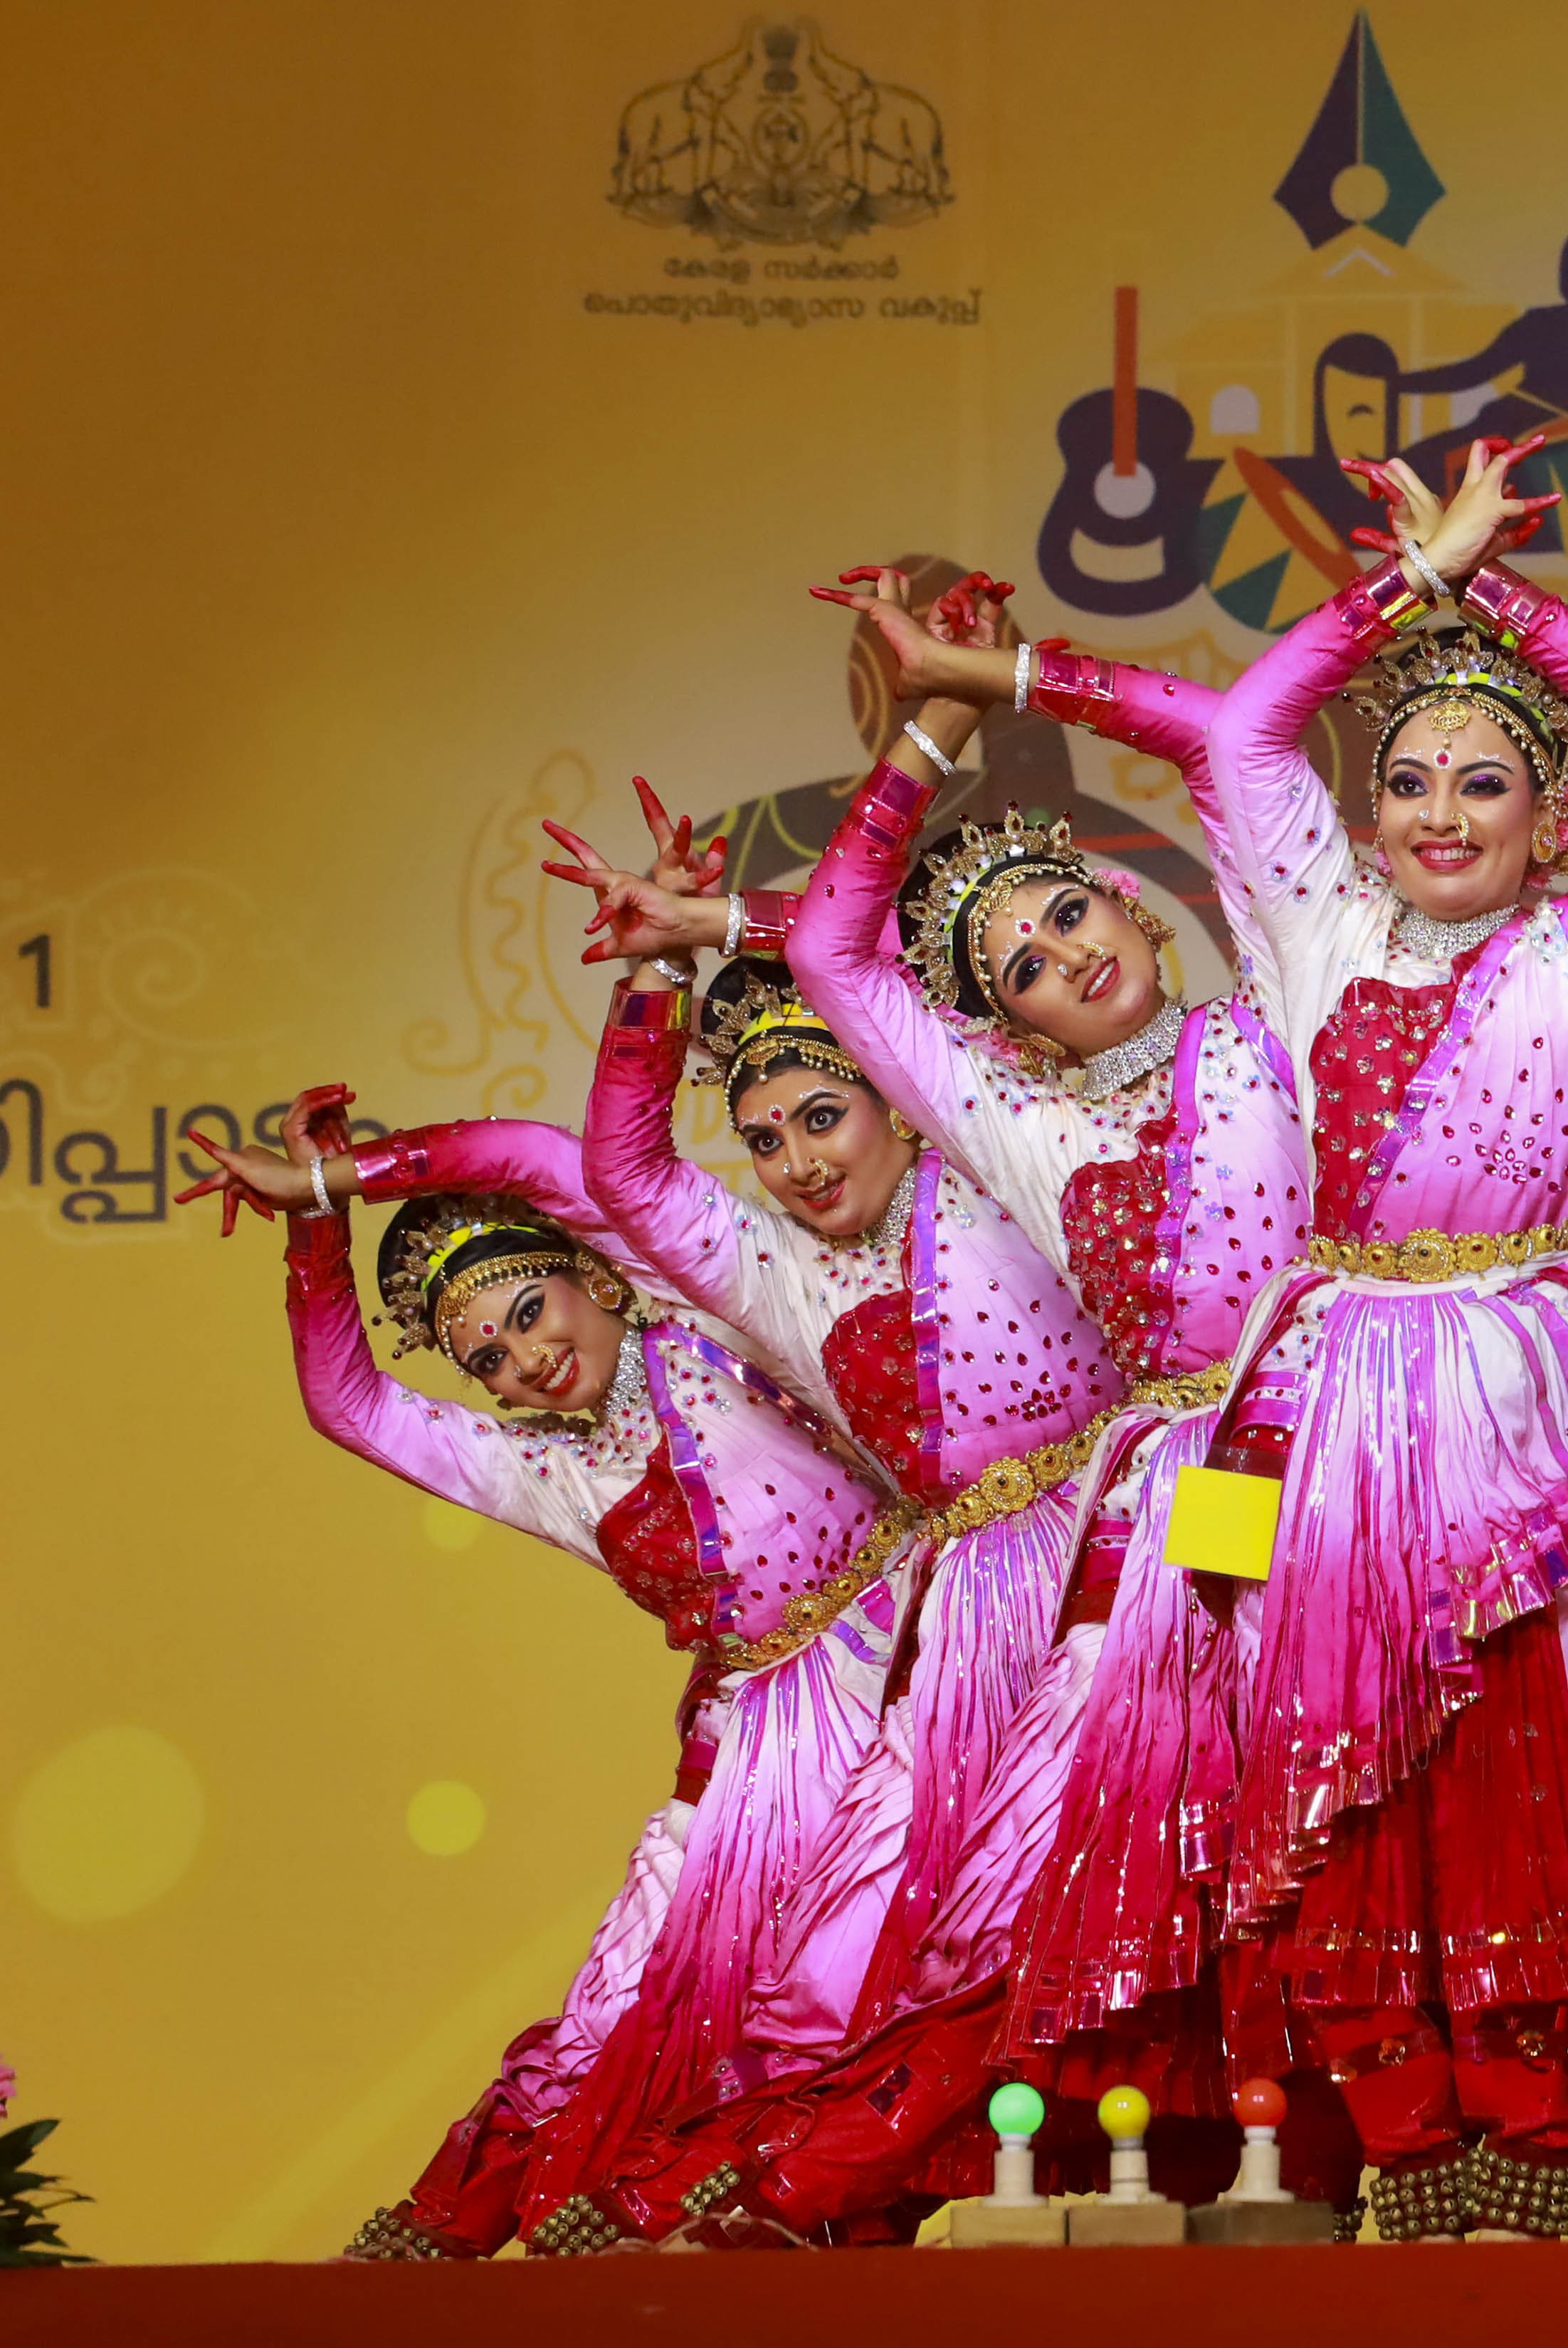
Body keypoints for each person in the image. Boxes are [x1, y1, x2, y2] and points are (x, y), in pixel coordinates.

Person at [543, 570, 1333, 2238]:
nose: (1065, 960)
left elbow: (1229, 742)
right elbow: (804, 987)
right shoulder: (1008, 1133)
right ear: (995, 1032)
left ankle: (1319, 2187)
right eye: (1021, 967)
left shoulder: (1276, 1014)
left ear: (1141, 906)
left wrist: (993, 675)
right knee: (1042, 1861)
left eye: (1073, 918)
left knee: (1300, 1840)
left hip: (1338, 1462)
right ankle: (843, 2178)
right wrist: (912, 753)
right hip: (1142, 1517)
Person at [1196, 440, 1568, 2238]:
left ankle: (1531, 2136)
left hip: (1538, 1377)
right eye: (1406, 779)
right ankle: (1403, 2133)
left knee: (1535, 1749)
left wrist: (1495, 589)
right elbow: (1251, 736)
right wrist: (1400, 593)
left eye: (1484, 782)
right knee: (1308, 1748)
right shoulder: (1321, 931)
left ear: (1549, 819)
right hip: (1320, 1395)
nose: (1437, 812)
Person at [180, 1085, 910, 2259]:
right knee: (631, 1982)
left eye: (530, 1309)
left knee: (850, 1972)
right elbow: (348, 1403)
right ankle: (470, 2220)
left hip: (909, 1670)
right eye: (490, 1359)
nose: (527, 1357)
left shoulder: (710, 1318)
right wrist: (313, 1243)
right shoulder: (541, 1463)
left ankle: (796, 2204)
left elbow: (537, 1159)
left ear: (596, 1276)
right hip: (749, 1735)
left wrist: (341, 1180)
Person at [518, 914, 1132, 2248]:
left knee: (1098, 1904)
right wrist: (656, 985)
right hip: (963, 1612)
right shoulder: (779, 1280)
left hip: (1122, 1552)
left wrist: (740, 924)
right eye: (765, 1139)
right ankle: (795, 2186)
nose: (797, 1160)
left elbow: (874, 967)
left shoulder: (993, 1160)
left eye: (823, 1115)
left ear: (900, 1103)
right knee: (886, 1918)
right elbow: (606, 1167)